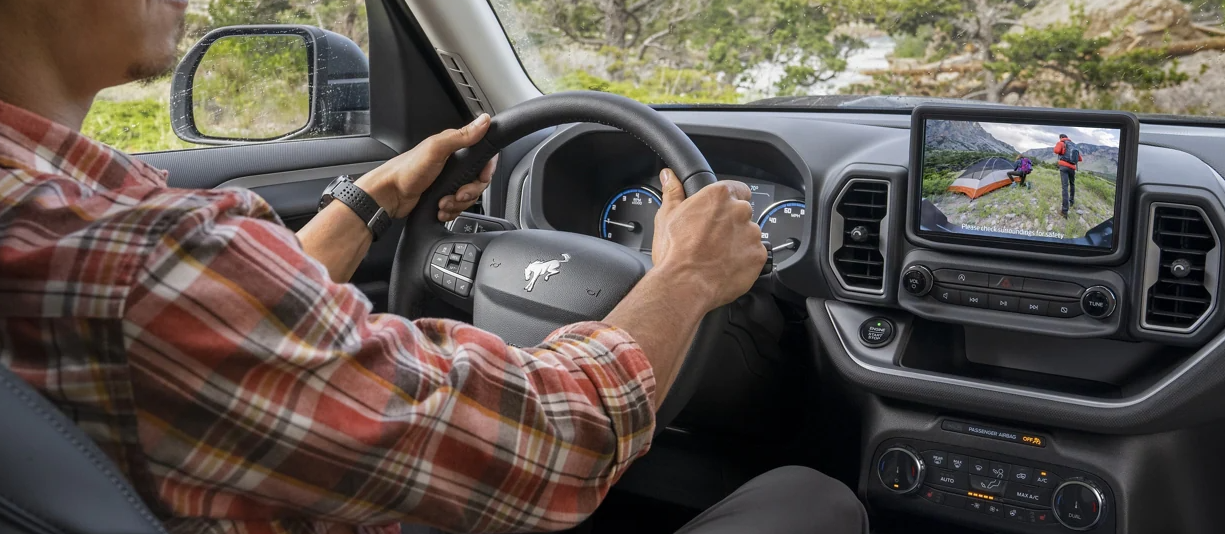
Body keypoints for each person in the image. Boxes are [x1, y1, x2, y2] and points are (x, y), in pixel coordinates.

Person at [0, 2, 867, 534]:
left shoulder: (72, 228)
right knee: (810, 499)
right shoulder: (137, 260)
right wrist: (684, 278)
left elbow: (226, 337)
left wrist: (370, 203)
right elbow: (548, 453)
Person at [1054, 134, 1083, 218]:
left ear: (1061, 137)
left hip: (1064, 166)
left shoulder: (1061, 143)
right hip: (1072, 168)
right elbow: (1080, 159)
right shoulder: (1074, 145)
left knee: (1065, 187)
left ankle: (1064, 211)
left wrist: (1060, 147)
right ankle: (1072, 201)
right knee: (1072, 184)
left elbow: (1056, 151)